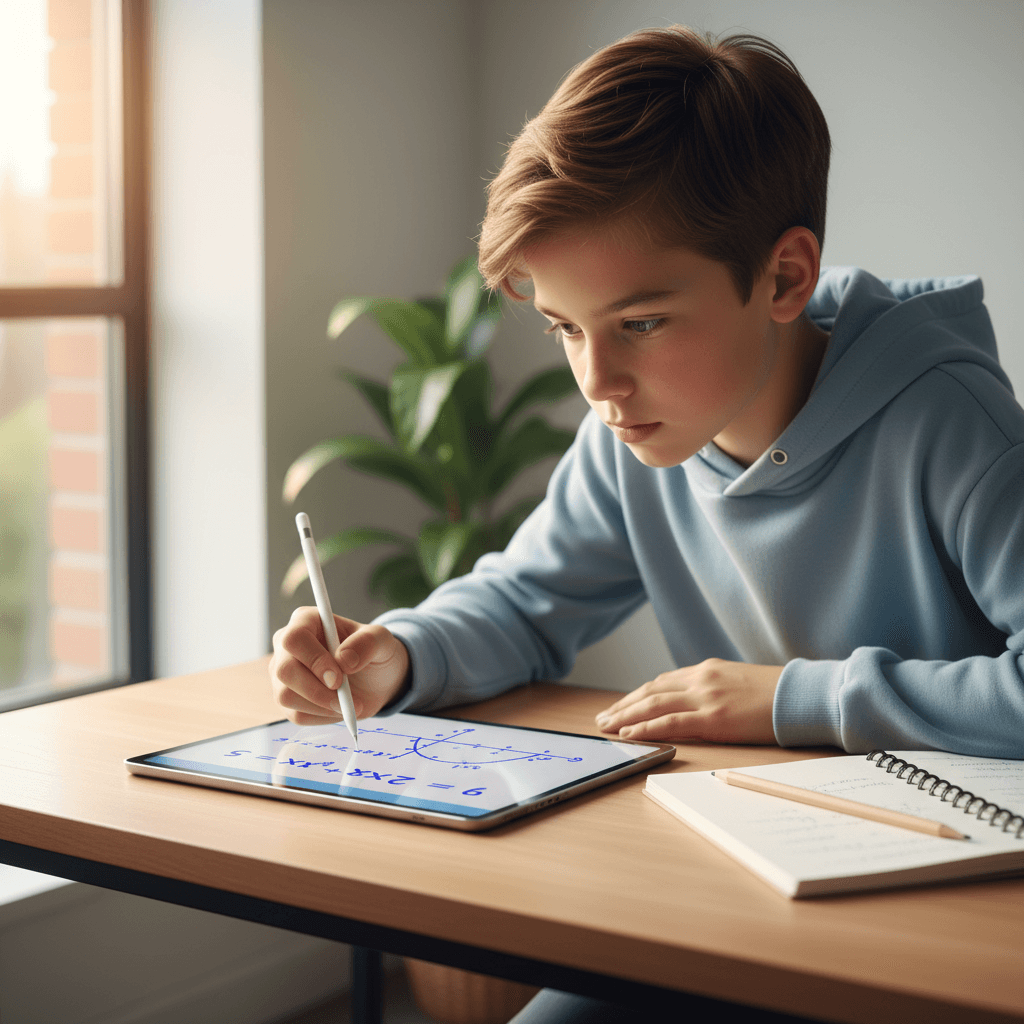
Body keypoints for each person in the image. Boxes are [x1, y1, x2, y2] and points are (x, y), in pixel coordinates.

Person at [271, 23, 1023, 1023]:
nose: (598, 382)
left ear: (784, 278)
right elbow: (527, 599)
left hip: (949, 913)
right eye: (566, 329)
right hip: (745, 883)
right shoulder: (635, 433)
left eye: (640, 323)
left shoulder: (948, 424)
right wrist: (399, 656)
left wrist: (790, 700)